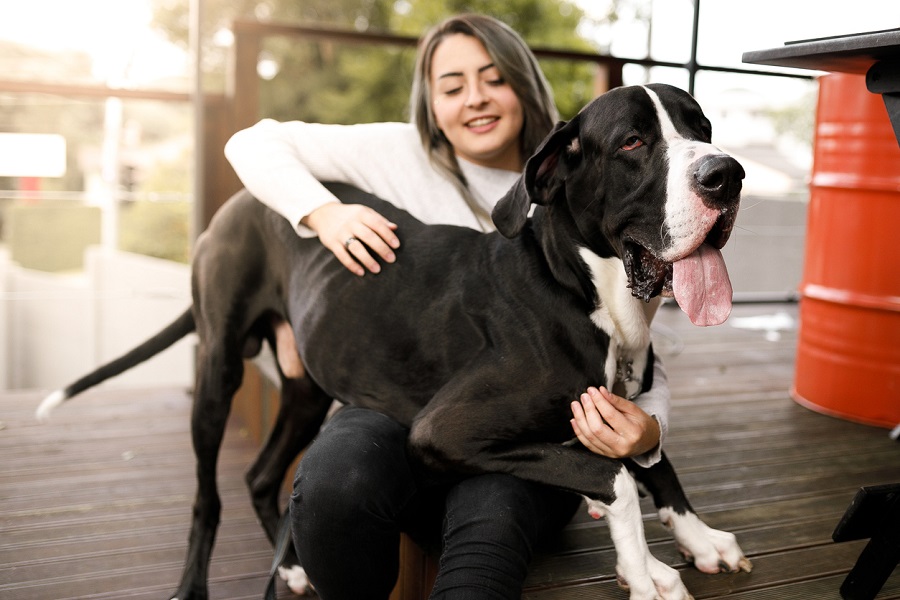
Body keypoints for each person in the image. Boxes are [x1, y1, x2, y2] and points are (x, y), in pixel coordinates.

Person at [225, 13, 670, 600]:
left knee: (494, 512)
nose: (475, 100)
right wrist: (320, 214)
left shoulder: (585, 173)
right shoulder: (397, 151)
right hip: (403, 392)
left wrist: (652, 431)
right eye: (452, 86)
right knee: (335, 482)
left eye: (494, 78)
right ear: (430, 104)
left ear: (525, 83)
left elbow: (637, 347)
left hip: (525, 426)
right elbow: (252, 142)